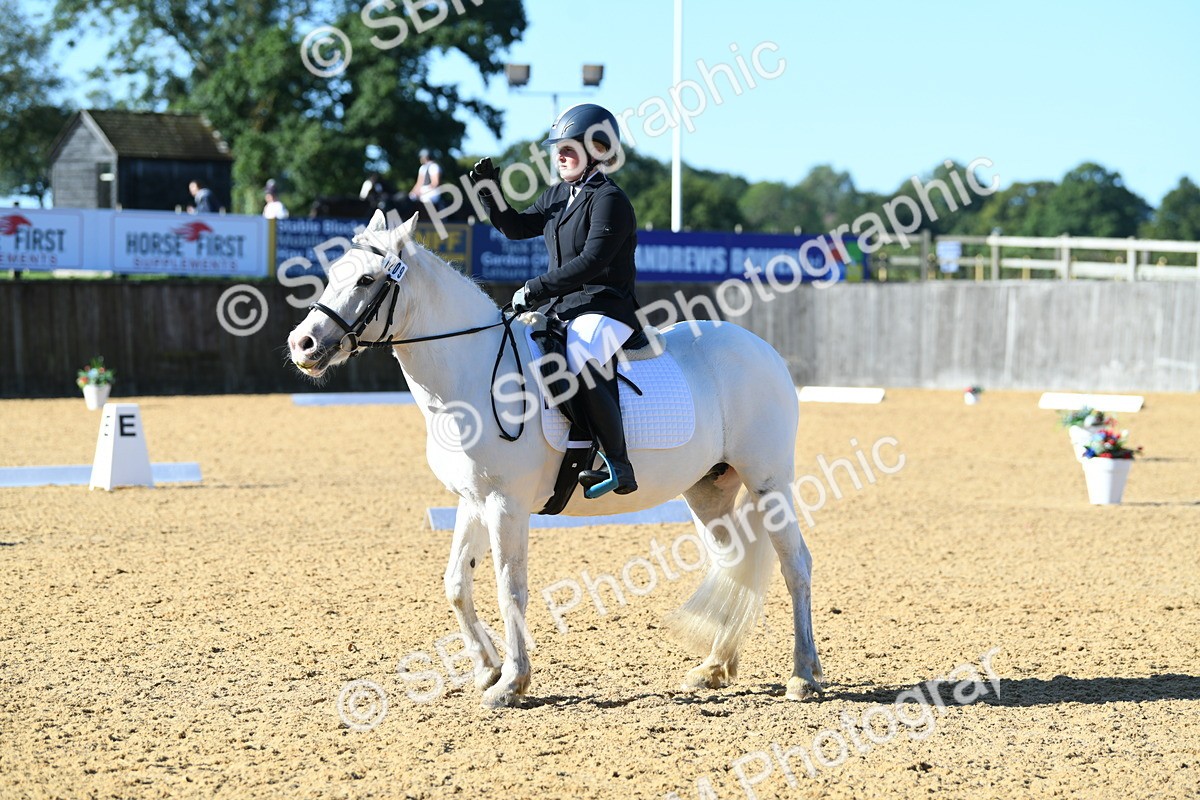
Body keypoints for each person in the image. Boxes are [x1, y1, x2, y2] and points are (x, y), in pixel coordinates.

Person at [469, 103, 640, 496]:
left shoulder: (609, 198)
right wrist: (489, 192)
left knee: (580, 351)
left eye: (570, 146)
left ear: (597, 149)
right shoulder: (561, 194)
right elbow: (515, 227)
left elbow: (592, 262)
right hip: (564, 306)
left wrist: (536, 288)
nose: (559, 154)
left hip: (605, 306)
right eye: (558, 147)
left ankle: (618, 462)